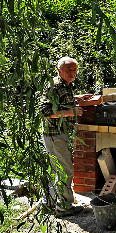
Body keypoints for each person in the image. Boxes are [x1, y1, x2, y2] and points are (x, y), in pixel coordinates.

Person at [41, 57, 84, 216]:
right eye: (68, 70)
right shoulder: (55, 86)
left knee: (57, 170)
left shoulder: (66, 86)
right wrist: (70, 112)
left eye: (74, 70)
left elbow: (59, 105)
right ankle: (64, 207)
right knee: (66, 171)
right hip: (55, 135)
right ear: (59, 71)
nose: (72, 73)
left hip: (61, 134)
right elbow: (45, 112)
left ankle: (51, 203)